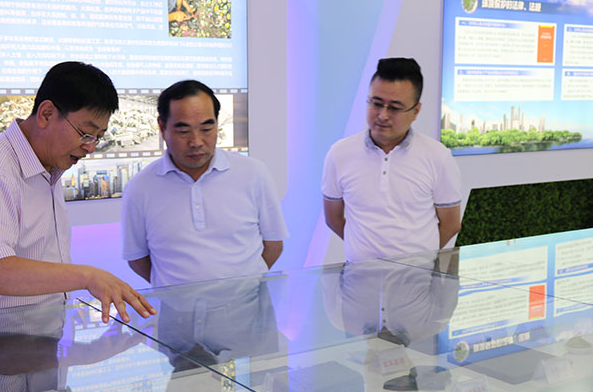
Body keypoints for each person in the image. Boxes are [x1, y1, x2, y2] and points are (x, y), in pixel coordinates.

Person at [0, 61, 156, 324]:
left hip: (38, 333)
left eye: (98, 137)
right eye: (86, 134)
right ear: (47, 114)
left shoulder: (49, 165)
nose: (90, 148)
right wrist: (88, 276)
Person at [121, 80, 288, 287]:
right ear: (162, 128)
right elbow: (137, 258)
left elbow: (273, 244)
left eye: (207, 128)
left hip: (249, 304)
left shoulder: (254, 173)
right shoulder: (140, 187)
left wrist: (244, 288)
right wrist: (178, 294)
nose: (196, 142)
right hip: (178, 308)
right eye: (183, 131)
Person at [322, 57, 462, 261]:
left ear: (415, 111)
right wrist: (361, 249)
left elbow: (451, 224)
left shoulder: (438, 157)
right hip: (360, 276)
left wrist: (419, 260)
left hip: (418, 278)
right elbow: (333, 219)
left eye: (394, 108)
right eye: (376, 103)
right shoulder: (340, 154)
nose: (382, 115)